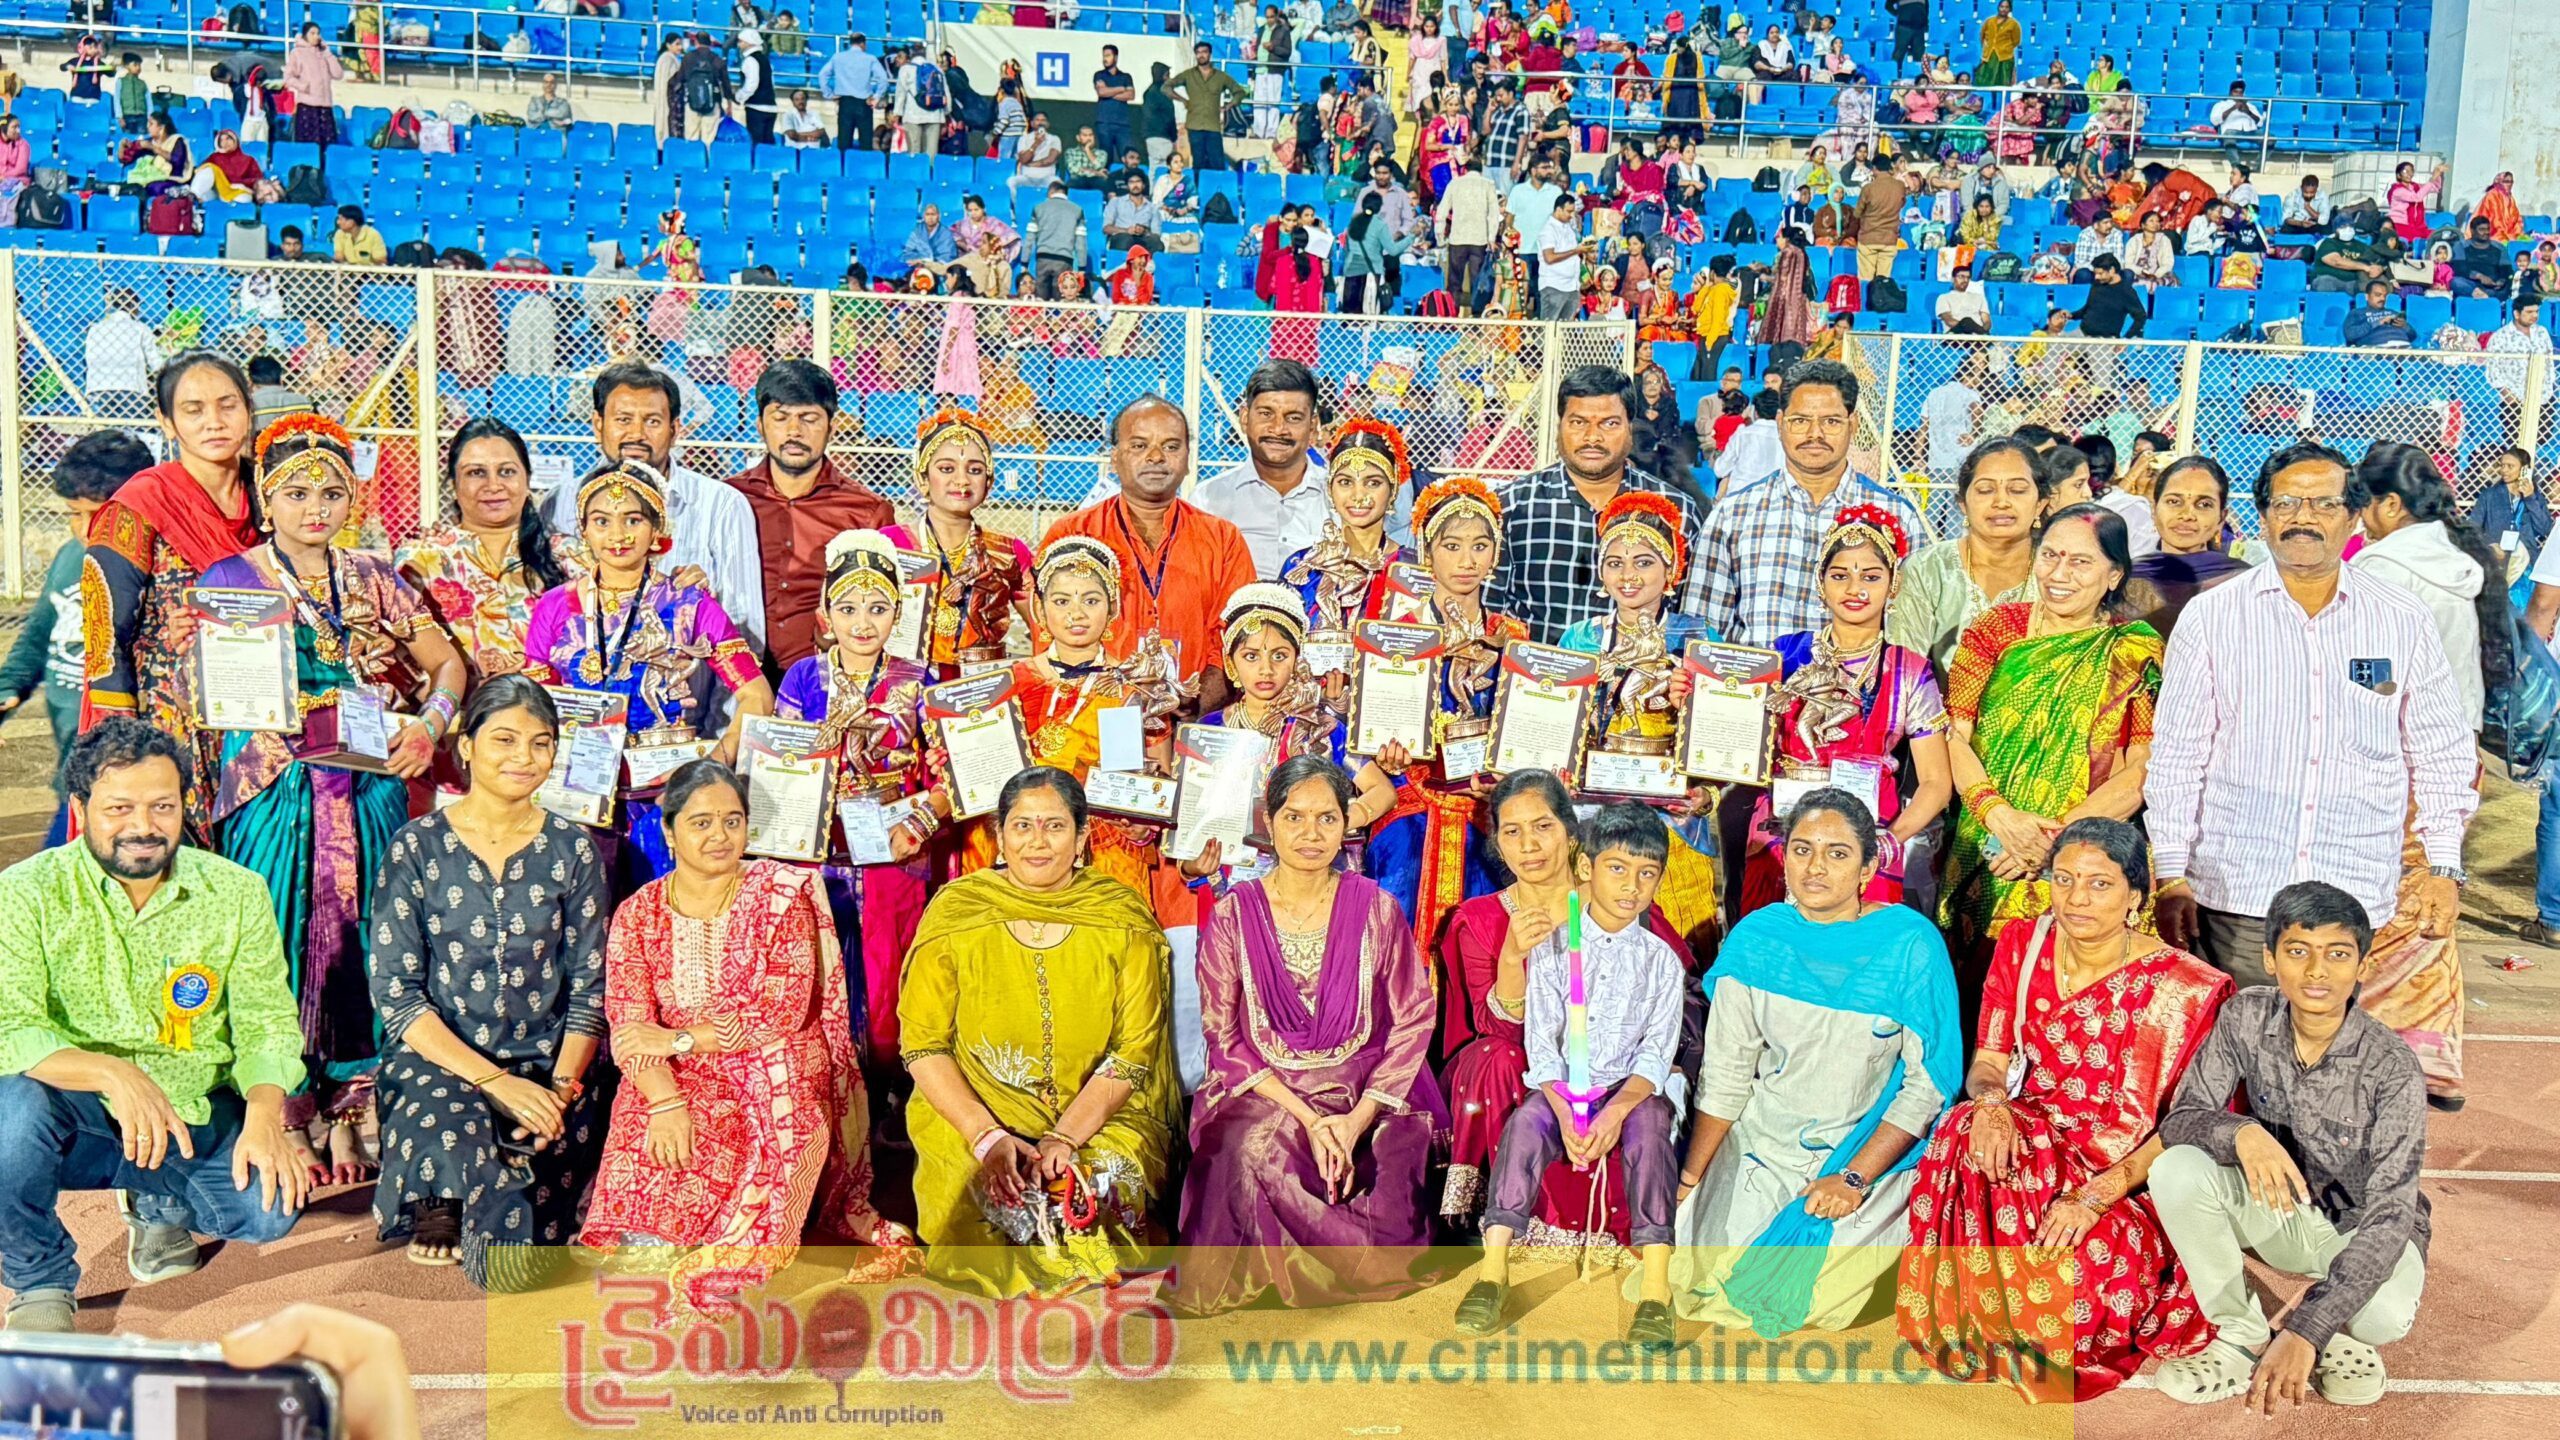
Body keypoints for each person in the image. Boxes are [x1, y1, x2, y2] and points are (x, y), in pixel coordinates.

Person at [199, 417, 465, 1179]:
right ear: (265, 498)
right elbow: (220, 695)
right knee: (273, 938)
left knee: (367, 937)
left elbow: (447, 665)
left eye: (331, 493)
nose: (315, 508)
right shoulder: (233, 579)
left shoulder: (374, 575)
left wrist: (430, 726)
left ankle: (349, 1112)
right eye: (296, 493)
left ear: (354, 498)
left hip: (367, 780)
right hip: (272, 784)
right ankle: (284, 1109)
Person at [1899, 818, 2234, 1400]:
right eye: (2064, 879)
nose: (2077, 898)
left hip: (2128, 1176)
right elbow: (1989, 1060)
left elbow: (2191, 1126)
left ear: (2136, 896)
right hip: (2032, 1145)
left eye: (2100, 884)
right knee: (1962, 1127)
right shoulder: (2022, 946)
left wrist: (2095, 1195)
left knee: (2081, 1289)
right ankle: (1983, 1310)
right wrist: (1993, 1104)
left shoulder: (2189, 988)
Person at [0, 719, 309, 1331]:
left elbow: (268, 1021)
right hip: (74, 1108)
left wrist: (265, 1117)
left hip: (192, 1105)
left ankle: (157, 1200)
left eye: (161, 806)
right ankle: (39, 1280)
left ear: (183, 806)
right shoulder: (24, 892)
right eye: (119, 808)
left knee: (270, 1209)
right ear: (80, 809)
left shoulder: (236, 892)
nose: (143, 826)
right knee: (9, 1122)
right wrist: (115, 1075)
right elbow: (10, 1026)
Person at [2147, 444, 2476, 995]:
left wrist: (2444, 866)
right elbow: (2179, 755)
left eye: (2324, 504)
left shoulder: (2400, 618)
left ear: (2354, 517)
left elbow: (2440, 749)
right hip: (2238, 891)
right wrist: (2172, 873)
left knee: (2330, 1042)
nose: (2303, 518)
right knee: (2243, 1040)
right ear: (2263, 516)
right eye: (2286, 504)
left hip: (2352, 889)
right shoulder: (2213, 617)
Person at [580, 759, 908, 1293]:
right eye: (701, 822)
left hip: (770, 1072)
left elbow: (783, 1009)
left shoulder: (780, 896)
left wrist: (680, 1038)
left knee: (783, 1107)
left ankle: (747, 1232)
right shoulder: (638, 914)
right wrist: (665, 1102)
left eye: (732, 821)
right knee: (640, 1253)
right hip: (676, 1077)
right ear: (669, 831)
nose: (720, 835)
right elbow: (630, 1024)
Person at [1668, 791, 1962, 1335]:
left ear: (1868, 868)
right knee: (1699, 1282)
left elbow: (1928, 1086)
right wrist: (1691, 1179)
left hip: (1866, 1147)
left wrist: (1853, 1177)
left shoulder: (1909, 945)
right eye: (1802, 849)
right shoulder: (1758, 940)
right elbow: (1727, 1076)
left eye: (1837, 853)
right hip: (1763, 1140)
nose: (1815, 867)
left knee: (1816, 1305)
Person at [1176, 757, 1445, 1314]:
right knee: (1249, 1149)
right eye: (1294, 817)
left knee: (1390, 1157)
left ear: (1347, 823)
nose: (1310, 833)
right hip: (1267, 1087)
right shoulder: (1233, 915)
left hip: (1365, 1088)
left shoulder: (1376, 908)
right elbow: (1223, 1038)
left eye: (1327, 818)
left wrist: (1353, 1122)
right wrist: (1311, 1121)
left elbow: (1413, 1017)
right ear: (1268, 823)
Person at [900, 767, 1180, 1297]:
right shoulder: (957, 914)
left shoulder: (1120, 917)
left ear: (1082, 838)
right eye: (1022, 826)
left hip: (1100, 1118)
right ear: (999, 836)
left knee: (1091, 1190)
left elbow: (1135, 1048)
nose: (1037, 841)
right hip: (974, 1116)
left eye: (1054, 826)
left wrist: (1066, 1138)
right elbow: (923, 1045)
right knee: (990, 1198)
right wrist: (987, 1138)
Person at [363, 678, 607, 1287]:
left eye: (541, 743)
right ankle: (442, 1196)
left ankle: (482, 1195)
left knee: (516, 1267)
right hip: (442, 1063)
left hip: (548, 1065)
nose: (524, 757)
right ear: (467, 747)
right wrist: (494, 1081)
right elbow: (396, 993)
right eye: (504, 740)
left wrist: (558, 1091)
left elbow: (591, 986)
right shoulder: (416, 847)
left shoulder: (573, 849)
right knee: (446, 1128)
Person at [2149, 883, 2430, 1412]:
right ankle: (2241, 1336)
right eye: (2298, 951)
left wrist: (2307, 1330)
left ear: (2363, 965)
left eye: (2337, 954)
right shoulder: (2245, 1016)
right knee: (2176, 1170)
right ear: (2269, 959)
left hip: (2359, 1227)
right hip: (2278, 1210)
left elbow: (2393, 1213)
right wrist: (2242, 1133)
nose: (2316, 971)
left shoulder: (2393, 1067)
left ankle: (2340, 1332)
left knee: (2384, 1319)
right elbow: (2182, 1120)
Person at [1456, 802, 1691, 1346]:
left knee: (1652, 1130)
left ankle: (1656, 1290)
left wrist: (1615, 1113)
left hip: (1631, 1092)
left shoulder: (1661, 960)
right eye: (1618, 868)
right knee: (1525, 1125)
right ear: (1586, 867)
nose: (1632, 886)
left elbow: (1656, 1055)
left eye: (1647, 873)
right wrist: (1565, 1112)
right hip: (1563, 1089)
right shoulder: (1555, 948)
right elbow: (1542, 1044)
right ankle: (1493, 1272)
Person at [522, 460, 776, 890]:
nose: (617, 535)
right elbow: (534, 708)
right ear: (583, 529)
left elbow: (757, 695)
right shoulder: (554, 607)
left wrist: (711, 766)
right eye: (601, 521)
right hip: (575, 797)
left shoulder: (689, 604)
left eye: (633, 520)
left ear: (657, 526)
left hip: (663, 800)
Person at [2344, 443, 2506, 1107]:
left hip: (2397, 755)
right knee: (2430, 902)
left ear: (2389, 504)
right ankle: (2429, 1053)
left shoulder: (2384, 568)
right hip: (2457, 755)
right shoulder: (2463, 564)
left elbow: (2374, 674)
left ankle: (2382, 1053)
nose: (2357, 520)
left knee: (2380, 901)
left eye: (2361, 506)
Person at [1942, 502, 2163, 968]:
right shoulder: (1994, 630)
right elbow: (1955, 736)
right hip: (1988, 843)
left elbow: (2143, 766)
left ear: (2114, 575)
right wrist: (2001, 818)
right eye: (2050, 556)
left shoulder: (2134, 648)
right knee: (1979, 984)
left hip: (2085, 858)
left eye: (2080, 561)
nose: (2059, 574)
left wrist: (2054, 840)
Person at [773, 531, 945, 1069]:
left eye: (877, 608)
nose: (862, 623)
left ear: (899, 613)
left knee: (889, 971)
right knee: (816, 968)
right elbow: (780, 767)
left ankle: (892, 1086)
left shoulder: (918, 680)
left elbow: (954, 775)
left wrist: (917, 825)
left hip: (895, 849)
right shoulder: (803, 677)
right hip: (817, 852)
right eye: (847, 609)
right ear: (825, 614)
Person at [1740, 506, 1951, 915]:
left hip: (1867, 846)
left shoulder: (1909, 670)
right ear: (1821, 584)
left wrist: (1889, 842)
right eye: (1840, 576)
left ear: (1893, 584)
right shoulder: (1784, 656)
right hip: (1783, 838)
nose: (1855, 589)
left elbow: (1936, 782)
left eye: (1870, 577)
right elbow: (1738, 741)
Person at [80, 353, 263, 813]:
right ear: (167, 422)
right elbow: (106, 638)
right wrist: (121, 748)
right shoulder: (139, 506)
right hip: (168, 725)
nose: (214, 422)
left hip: (262, 721)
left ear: (248, 409)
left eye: (227, 405)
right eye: (193, 410)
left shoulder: (274, 498)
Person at [1368, 476, 1528, 950]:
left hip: (1486, 808)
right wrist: (1384, 756)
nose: (1466, 561)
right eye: (1451, 546)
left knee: (1485, 945)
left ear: (1495, 554)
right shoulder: (1397, 635)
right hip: (1412, 805)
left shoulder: (1514, 636)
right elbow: (1370, 733)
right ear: (1427, 551)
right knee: (1395, 931)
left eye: (1480, 546)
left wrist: (1511, 776)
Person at [1555, 492, 1722, 944]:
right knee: (1590, 949)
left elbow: (1724, 739)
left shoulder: (1698, 638)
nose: (1628, 576)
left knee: (1680, 950)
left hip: (1672, 823)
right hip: (1593, 818)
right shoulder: (1579, 638)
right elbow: (1559, 732)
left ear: (1672, 569)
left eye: (1644, 562)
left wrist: (1706, 795)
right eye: (1615, 563)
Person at [1698, 360, 1925, 646]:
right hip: (1755, 675)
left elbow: (1910, 634)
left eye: (1831, 421)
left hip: (1860, 676)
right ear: (1780, 423)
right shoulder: (1733, 514)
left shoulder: (1897, 517)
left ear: (1853, 424)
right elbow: (1703, 631)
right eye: (1800, 421)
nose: (1814, 433)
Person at [550, 363, 767, 653]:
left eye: (652, 421)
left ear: (675, 429)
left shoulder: (722, 505)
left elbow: (745, 629)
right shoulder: (560, 502)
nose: (636, 434)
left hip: (690, 679)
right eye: (623, 419)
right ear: (598, 424)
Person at [1487, 365, 1708, 645]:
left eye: (1609, 423)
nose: (1592, 437)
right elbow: (1490, 613)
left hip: (1643, 671)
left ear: (1630, 428)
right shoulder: (1512, 507)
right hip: (1536, 671)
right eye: (1579, 422)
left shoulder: (1674, 511)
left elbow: (1688, 617)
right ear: (1559, 426)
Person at [1043, 397, 1257, 685]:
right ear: (1114, 458)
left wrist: (1196, 700)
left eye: (1171, 446)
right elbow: (1049, 635)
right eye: (1139, 445)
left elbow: (1239, 635)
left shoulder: (1223, 540)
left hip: (1198, 706)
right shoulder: (1072, 534)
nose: (1156, 457)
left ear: (1188, 459)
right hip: (1092, 706)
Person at [0, 432, 147, 839]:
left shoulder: (154, 569)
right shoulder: (69, 556)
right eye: (73, 514)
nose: (84, 529)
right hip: (72, 773)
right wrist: (8, 688)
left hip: (123, 779)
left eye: (96, 514)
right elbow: (37, 636)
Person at [723, 361, 893, 672]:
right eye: (781, 417)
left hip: (826, 679)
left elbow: (886, 608)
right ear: (759, 424)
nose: (794, 431)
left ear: (832, 426)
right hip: (734, 676)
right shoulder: (728, 499)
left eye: (809, 419)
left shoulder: (867, 512)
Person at [397, 419, 575, 684]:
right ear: (454, 485)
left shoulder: (570, 556)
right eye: (476, 473)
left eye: (507, 472)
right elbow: (401, 658)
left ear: (527, 479)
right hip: (457, 709)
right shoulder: (421, 560)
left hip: (554, 708)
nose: (493, 485)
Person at [1201, 362, 1341, 583]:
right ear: (1245, 418)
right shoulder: (1208, 500)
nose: (1278, 429)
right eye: (1266, 414)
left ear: (1312, 425)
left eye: (1293, 418)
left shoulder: (1339, 498)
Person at [1281, 419, 1412, 655]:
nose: (1358, 495)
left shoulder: (1412, 570)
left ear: (1393, 490)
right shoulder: (1301, 568)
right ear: (1330, 490)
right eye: (1345, 482)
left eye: (1373, 483)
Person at [2123, 455, 2248, 640]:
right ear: (2154, 510)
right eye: (2174, 501)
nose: (2187, 515)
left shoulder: (2243, 582)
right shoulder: (2124, 579)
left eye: (2204, 504)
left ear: (2221, 518)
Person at [1169, 42, 1248, 171]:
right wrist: (1182, 100)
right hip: (1194, 125)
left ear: (1210, 54)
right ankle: (1199, 184)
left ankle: (1216, 184)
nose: (1201, 55)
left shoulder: (1221, 76)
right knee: (1198, 163)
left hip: (1213, 127)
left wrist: (1228, 106)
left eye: (1204, 52)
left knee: (1217, 163)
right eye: (1198, 52)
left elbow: (1240, 92)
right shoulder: (1188, 75)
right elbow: (1166, 87)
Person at [817, 33, 887, 150]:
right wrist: (877, 97)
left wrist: (829, 94)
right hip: (864, 103)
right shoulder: (870, 59)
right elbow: (883, 79)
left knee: (844, 143)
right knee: (866, 143)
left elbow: (822, 75)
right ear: (863, 44)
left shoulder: (838, 57)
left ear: (850, 43)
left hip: (845, 103)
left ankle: (844, 161)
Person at [283, 24, 346, 145]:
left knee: (327, 144)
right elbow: (288, 78)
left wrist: (328, 53)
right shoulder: (297, 53)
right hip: (307, 105)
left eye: (318, 33)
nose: (316, 36)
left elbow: (338, 74)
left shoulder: (324, 54)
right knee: (309, 144)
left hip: (325, 105)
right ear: (305, 35)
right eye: (312, 33)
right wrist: (303, 86)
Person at [2486, 297, 2553, 409]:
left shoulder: (2542, 332)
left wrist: (2550, 387)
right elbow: (2492, 368)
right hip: (2514, 398)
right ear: (2516, 314)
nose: (2534, 315)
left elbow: (2549, 361)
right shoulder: (2501, 336)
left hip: (2543, 397)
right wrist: (2506, 393)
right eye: (2529, 312)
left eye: (2536, 311)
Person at [2341, 278, 2416, 349]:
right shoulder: (2357, 313)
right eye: (2378, 295)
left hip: (2404, 348)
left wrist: (2405, 326)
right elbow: (2350, 335)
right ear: (2367, 296)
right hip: (2376, 349)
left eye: (2384, 296)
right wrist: (2378, 322)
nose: (2382, 298)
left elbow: (2413, 336)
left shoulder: (2392, 312)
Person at [1934, 263, 1990, 335]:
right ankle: (1983, 334)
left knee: (1969, 322)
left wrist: (1980, 330)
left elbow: (1987, 321)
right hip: (1955, 335)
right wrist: (1968, 328)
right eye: (1962, 277)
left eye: (1968, 277)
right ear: (1953, 279)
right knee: (1967, 321)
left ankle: (1982, 334)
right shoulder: (1944, 298)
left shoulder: (1979, 297)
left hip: (1976, 336)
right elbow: (1949, 321)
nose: (1965, 280)